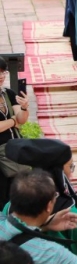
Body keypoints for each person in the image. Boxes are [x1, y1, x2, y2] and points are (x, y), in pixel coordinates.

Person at [0, 57, 30, 194]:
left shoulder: (8, 94)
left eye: (3, 72)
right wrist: (12, 122)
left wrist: (24, 108)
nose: (1, 76)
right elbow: (15, 121)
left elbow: (21, 120)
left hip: (14, 147)